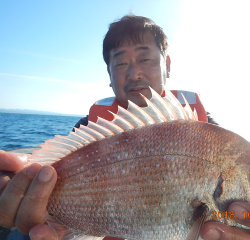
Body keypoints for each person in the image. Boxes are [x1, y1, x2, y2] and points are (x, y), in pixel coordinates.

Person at [0, 15, 249, 240]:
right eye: (120, 64)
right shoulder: (88, 129)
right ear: (108, 75)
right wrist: (21, 177)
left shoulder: (214, 137)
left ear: (168, 65)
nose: (134, 72)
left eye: (145, 58)